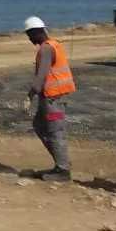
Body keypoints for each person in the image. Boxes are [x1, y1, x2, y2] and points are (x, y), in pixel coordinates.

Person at [23, 17, 75, 180]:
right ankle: (62, 162)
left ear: (36, 32)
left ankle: (63, 170)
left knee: (55, 131)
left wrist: (29, 96)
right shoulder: (54, 44)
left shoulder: (46, 49)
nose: (29, 39)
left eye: (30, 35)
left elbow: (41, 76)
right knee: (39, 125)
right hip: (53, 98)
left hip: (54, 100)